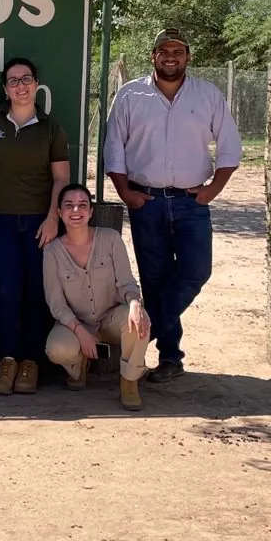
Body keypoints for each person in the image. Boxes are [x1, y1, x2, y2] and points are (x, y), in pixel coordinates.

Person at [104, 28, 241, 383]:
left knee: (196, 271)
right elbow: (114, 146)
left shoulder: (207, 95)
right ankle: (170, 358)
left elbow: (230, 145)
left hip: (191, 203)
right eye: (163, 50)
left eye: (178, 51)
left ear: (188, 56)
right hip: (145, 200)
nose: (170, 56)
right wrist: (125, 192)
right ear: (153, 55)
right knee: (155, 280)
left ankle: (141, 334)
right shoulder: (130, 94)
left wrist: (213, 189)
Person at [0, 56, 71, 396]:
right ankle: (7, 360)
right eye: (13, 81)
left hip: (40, 222)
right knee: (7, 291)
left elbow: (61, 178)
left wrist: (53, 217)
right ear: (5, 88)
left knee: (37, 292)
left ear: (36, 84)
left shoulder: (50, 128)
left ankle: (31, 362)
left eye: (26, 79)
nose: (20, 86)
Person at [42, 183, 149, 411]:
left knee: (140, 319)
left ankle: (129, 381)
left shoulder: (110, 239)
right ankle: (78, 365)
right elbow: (56, 304)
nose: (76, 210)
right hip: (76, 323)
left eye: (82, 205)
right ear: (59, 212)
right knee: (57, 349)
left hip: (111, 318)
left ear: (91, 212)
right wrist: (81, 333)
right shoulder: (52, 252)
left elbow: (127, 282)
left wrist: (134, 303)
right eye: (69, 205)